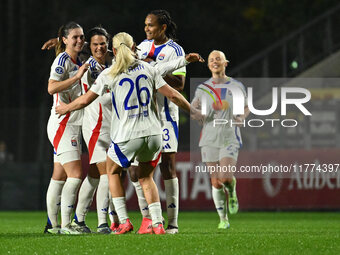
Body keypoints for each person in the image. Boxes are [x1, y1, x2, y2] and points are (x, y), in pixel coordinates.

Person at [55, 32, 203, 234]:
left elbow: (84, 100)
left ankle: (123, 220)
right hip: (154, 135)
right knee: (146, 177)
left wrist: (65, 108)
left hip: (128, 135)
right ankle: (157, 223)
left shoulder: (110, 74)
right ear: (134, 48)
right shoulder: (148, 68)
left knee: (112, 171)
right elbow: (174, 95)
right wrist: (193, 111)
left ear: (113, 50)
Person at [130, 9, 186, 235]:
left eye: (151, 25)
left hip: (165, 117)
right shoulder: (141, 47)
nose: (146, 29)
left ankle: (172, 223)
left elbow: (180, 84)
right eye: (145, 25)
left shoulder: (175, 50)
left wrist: (153, 69)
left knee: (167, 167)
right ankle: (149, 219)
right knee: (135, 172)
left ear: (163, 27)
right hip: (141, 117)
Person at [68, 26, 119, 234]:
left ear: (108, 44)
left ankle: (78, 220)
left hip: (112, 126)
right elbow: (94, 95)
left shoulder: (112, 63)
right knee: (107, 172)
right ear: (90, 46)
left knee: (95, 175)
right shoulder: (89, 67)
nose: (99, 47)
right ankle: (102, 223)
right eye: (95, 44)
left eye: (102, 43)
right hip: (95, 126)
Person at [191, 50, 249, 229]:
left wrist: (242, 117)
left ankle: (232, 191)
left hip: (229, 136)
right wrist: (198, 114)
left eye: (218, 59)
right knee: (215, 181)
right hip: (209, 138)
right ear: (208, 65)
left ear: (226, 62)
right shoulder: (202, 88)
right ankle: (223, 220)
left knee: (225, 178)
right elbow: (193, 109)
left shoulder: (236, 85)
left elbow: (245, 108)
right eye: (211, 60)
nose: (214, 62)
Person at [45, 21, 90, 234]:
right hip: (63, 124)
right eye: (75, 37)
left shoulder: (75, 58)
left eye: (82, 37)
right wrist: (76, 78)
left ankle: (53, 227)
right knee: (75, 174)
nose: (80, 40)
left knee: (59, 175)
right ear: (65, 39)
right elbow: (51, 87)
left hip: (68, 124)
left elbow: (99, 47)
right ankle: (66, 225)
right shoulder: (63, 60)